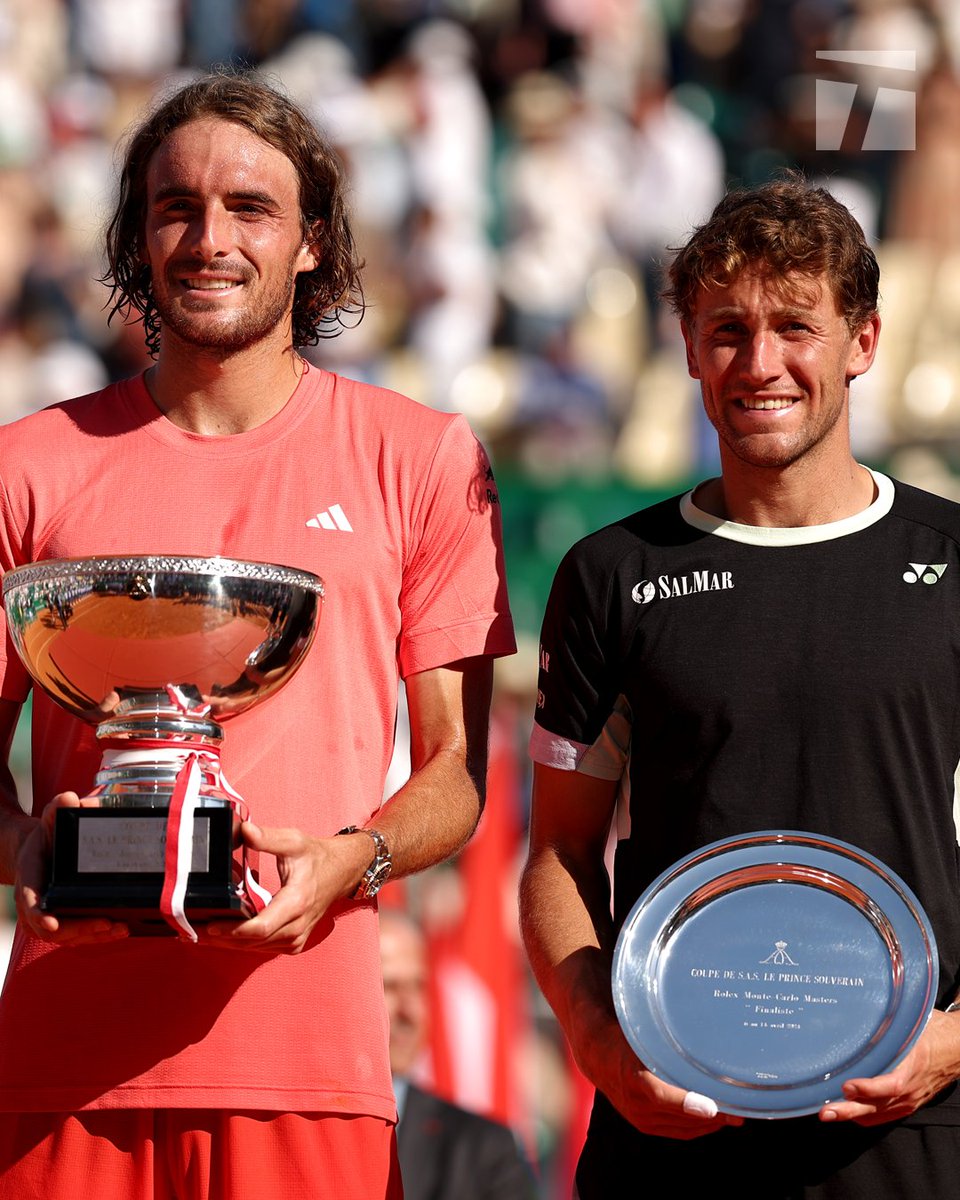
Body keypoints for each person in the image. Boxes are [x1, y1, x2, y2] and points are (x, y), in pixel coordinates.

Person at [0, 73, 515, 1199]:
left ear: (313, 242)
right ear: (138, 235)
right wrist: (27, 848)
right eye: (176, 207)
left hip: (307, 1066)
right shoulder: (24, 465)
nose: (209, 238)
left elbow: (454, 776)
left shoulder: (419, 458)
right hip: (61, 1065)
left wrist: (351, 860)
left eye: (250, 208)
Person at [519, 176, 960, 1198]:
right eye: (726, 330)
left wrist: (947, 1046)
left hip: (917, 1135)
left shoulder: (952, 559)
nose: (760, 364)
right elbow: (559, 854)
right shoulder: (612, 573)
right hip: (675, 1134)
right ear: (686, 349)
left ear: (864, 340)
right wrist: (598, 1041)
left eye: (795, 326)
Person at [378, 909, 535, 1200]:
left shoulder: (484, 1149)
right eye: (390, 987)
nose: (410, 1012)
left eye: (418, 987)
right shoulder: (298, 1132)